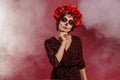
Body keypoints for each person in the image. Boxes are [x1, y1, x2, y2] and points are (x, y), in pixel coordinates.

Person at [44, 4, 87, 80]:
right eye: (64, 20)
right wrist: (63, 42)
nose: (66, 24)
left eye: (70, 22)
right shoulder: (49, 42)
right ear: (58, 21)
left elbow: (81, 64)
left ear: (72, 27)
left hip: (75, 77)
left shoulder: (77, 40)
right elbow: (55, 63)